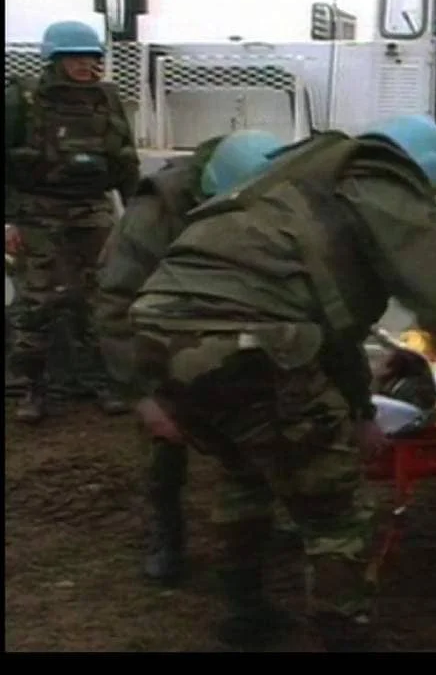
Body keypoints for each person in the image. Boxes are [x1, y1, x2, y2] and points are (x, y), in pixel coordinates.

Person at [127, 115, 436, 651]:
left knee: (244, 472)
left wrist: (359, 410)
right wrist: (365, 412)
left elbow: (331, 335)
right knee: (335, 510)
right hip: (250, 344)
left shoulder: (290, 182)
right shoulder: (381, 184)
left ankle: (244, 614)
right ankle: (343, 635)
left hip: (159, 338)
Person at [94, 129, 296, 586]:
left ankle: (261, 517)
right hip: (159, 334)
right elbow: (116, 306)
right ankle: (166, 532)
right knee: (165, 446)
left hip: (232, 325)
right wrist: (144, 396)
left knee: (268, 426)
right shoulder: (155, 215)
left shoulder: (271, 195)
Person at [5, 20, 138, 423]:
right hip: (36, 211)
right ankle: (32, 387)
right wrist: (7, 222)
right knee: (37, 300)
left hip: (92, 209)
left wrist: (136, 214)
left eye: (91, 57)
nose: (84, 65)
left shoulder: (107, 99)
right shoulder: (21, 100)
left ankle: (102, 381)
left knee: (102, 297)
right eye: (74, 57)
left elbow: (125, 160)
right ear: (54, 60)